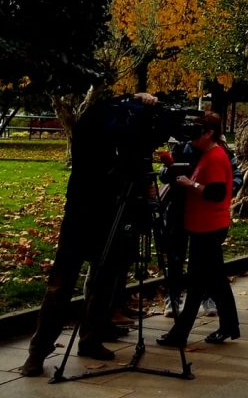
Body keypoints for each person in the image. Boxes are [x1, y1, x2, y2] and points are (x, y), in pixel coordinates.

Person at [20, 93, 163, 377]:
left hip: (111, 217)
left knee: (104, 282)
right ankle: (38, 351)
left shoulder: (121, 137)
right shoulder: (93, 131)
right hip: (82, 217)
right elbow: (109, 162)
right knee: (61, 285)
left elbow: (134, 166)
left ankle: (91, 339)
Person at [157, 112, 239, 347]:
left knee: (198, 281)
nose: (191, 139)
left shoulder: (214, 157)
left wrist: (190, 184)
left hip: (208, 226)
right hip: (207, 225)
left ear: (209, 133)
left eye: (196, 133)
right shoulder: (210, 153)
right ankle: (228, 326)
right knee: (215, 280)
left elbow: (217, 193)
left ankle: (180, 334)